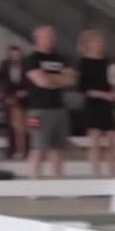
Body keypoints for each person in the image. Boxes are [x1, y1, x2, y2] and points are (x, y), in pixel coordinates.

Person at [24, 25, 77, 179]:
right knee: (37, 149)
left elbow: (71, 79)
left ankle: (59, 184)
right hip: (37, 111)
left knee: (57, 149)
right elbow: (42, 82)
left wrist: (50, 79)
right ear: (38, 38)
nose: (51, 39)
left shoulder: (61, 59)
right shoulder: (31, 59)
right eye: (46, 36)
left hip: (59, 109)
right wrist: (58, 79)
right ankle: (33, 185)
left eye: (53, 36)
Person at [78, 30, 115, 177]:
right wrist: (104, 95)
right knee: (95, 142)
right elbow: (83, 88)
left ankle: (113, 174)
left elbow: (112, 81)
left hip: (107, 105)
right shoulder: (84, 63)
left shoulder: (108, 62)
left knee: (113, 141)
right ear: (89, 44)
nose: (101, 44)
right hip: (93, 104)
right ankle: (96, 175)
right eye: (97, 41)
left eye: (102, 41)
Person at [0, 45, 30, 159]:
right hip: (10, 99)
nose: (15, 55)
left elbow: (30, 81)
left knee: (26, 127)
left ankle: (26, 150)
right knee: (11, 127)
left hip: (24, 99)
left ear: (20, 54)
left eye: (17, 53)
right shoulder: (4, 65)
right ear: (9, 54)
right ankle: (12, 150)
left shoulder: (26, 64)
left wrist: (26, 91)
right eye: (13, 53)